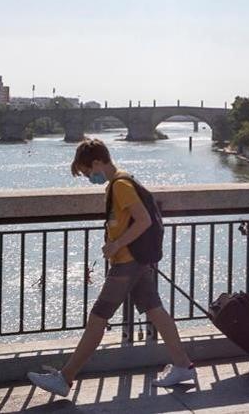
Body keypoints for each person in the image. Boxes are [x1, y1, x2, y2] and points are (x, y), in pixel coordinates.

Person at [27, 139, 197, 397]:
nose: (88, 178)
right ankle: (183, 365)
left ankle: (66, 378)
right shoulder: (122, 180)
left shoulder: (120, 186)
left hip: (127, 263)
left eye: (87, 172)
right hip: (137, 261)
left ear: (97, 163)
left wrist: (116, 245)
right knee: (156, 311)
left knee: (97, 318)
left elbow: (144, 220)